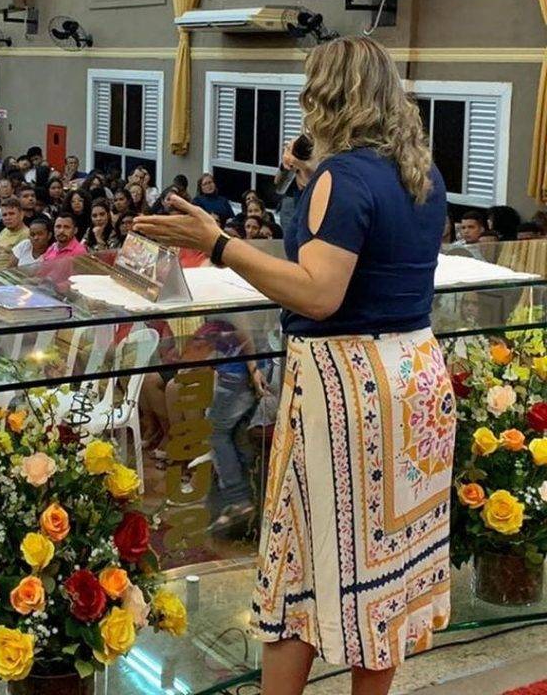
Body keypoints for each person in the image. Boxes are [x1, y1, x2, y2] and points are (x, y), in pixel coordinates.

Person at [134, 36, 452, 695]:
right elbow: (363, 256)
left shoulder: (344, 178)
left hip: (347, 387)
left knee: (299, 556)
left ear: (329, 97)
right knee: (379, 568)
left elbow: (318, 291)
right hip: (412, 377)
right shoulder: (418, 171)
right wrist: (308, 186)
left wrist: (216, 243)